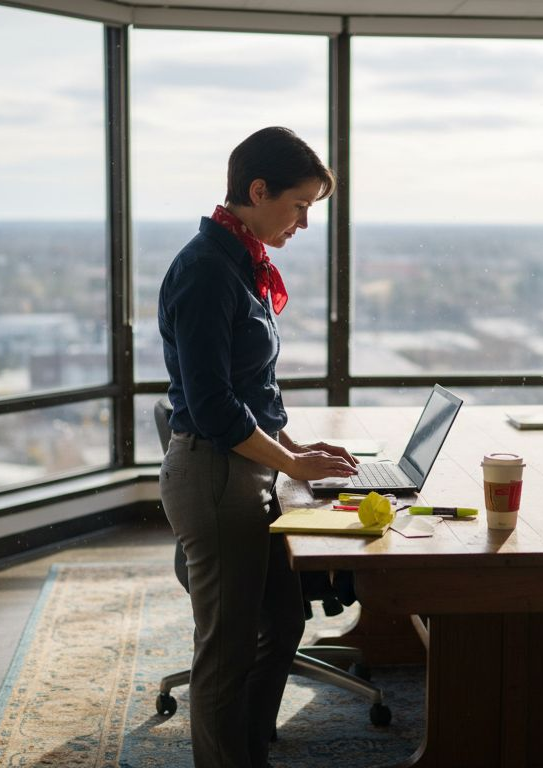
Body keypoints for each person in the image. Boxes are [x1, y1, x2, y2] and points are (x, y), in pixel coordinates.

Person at [157, 126, 358, 768]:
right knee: (227, 651)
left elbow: (252, 389)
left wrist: (296, 445)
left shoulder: (239, 261)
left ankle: (250, 748)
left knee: (282, 624)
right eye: (299, 205)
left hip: (246, 471)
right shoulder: (206, 272)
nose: (303, 223)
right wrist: (293, 463)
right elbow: (215, 408)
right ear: (258, 189)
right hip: (216, 479)